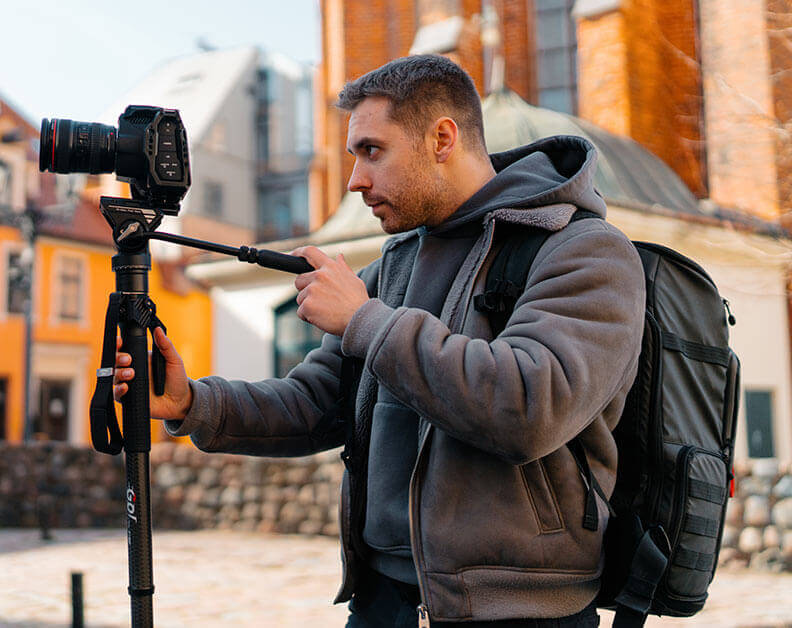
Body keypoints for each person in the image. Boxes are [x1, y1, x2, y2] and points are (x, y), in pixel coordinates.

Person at [114, 55, 644, 627]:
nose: (355, 180)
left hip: (521, 610)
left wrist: (366, 321)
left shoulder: (584, 250)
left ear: (442, 138)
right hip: (382, 604)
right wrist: (193, 403)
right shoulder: (395, 266)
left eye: (373, 151)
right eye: (354, 156)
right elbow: (316, 401)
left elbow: (530, 406)